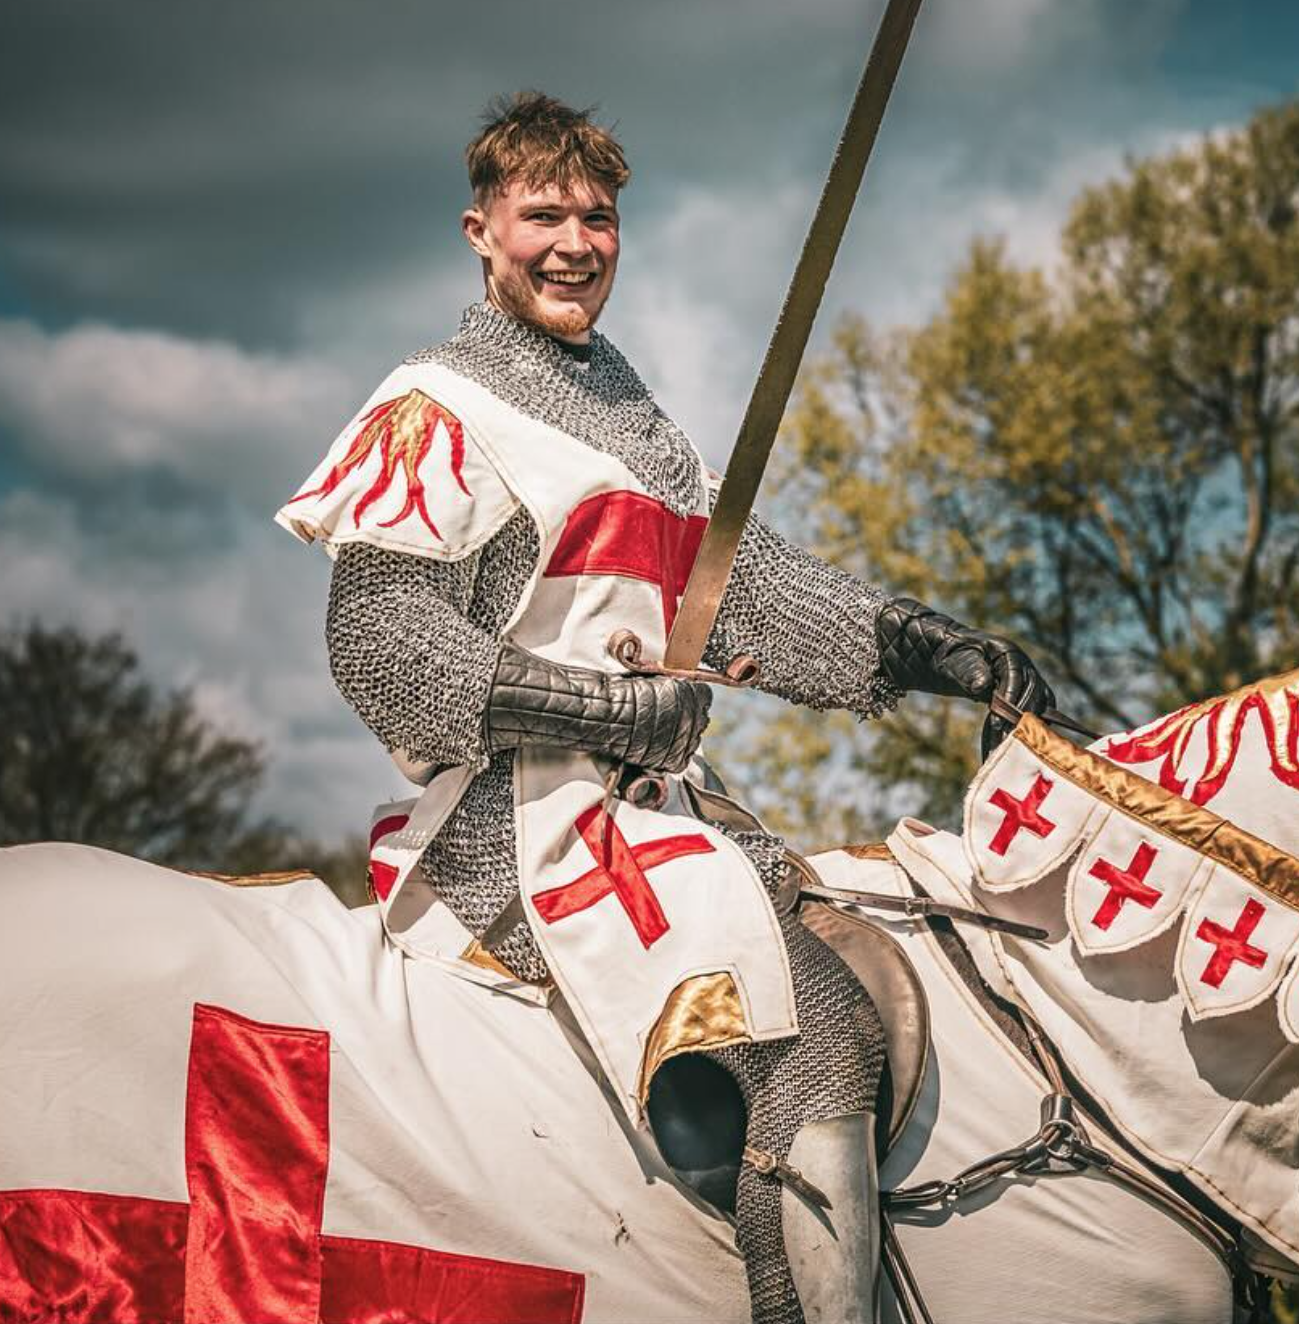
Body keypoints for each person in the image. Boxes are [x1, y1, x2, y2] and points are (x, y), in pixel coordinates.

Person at [277, 91, 1053, 1324]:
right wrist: (604, 708)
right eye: (542, 215)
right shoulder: (437, 402)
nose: (573, 241)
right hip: (515, 828)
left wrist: (926, 644)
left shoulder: (640, 425)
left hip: (662, 818)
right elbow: (380, 637)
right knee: (811, 1036)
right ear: (479, 230)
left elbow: (743, 592)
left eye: (598, 215)